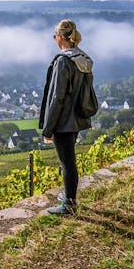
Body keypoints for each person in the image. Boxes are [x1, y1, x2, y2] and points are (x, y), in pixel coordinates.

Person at [39, 19, 94, 215]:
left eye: (55, 36)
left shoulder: (63, 62)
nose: (55, 39)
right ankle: (69, 196)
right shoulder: (82, 58)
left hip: (63, 121)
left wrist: (48, 128)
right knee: (69, 159)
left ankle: (69, 204)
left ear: (60, 37)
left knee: (67, 162)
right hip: (77, 117)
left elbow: (57, 97)